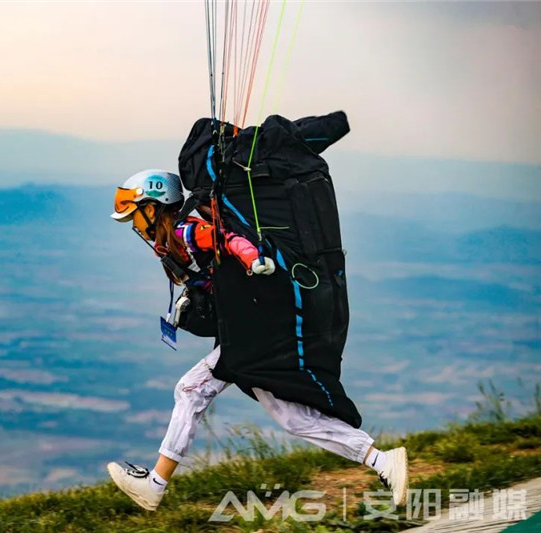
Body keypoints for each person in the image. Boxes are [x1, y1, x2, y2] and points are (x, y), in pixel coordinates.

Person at [106, 168, 408, 512]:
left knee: (190, 391)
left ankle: (155, 486)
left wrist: (252, 258)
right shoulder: (170, 241)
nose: (134, 225)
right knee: (295, 419)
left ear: (154, 207)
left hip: (253, 332)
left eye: (135, 215)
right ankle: (384, 462)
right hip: (254, 329)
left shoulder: (184, 230)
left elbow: (225, 239)